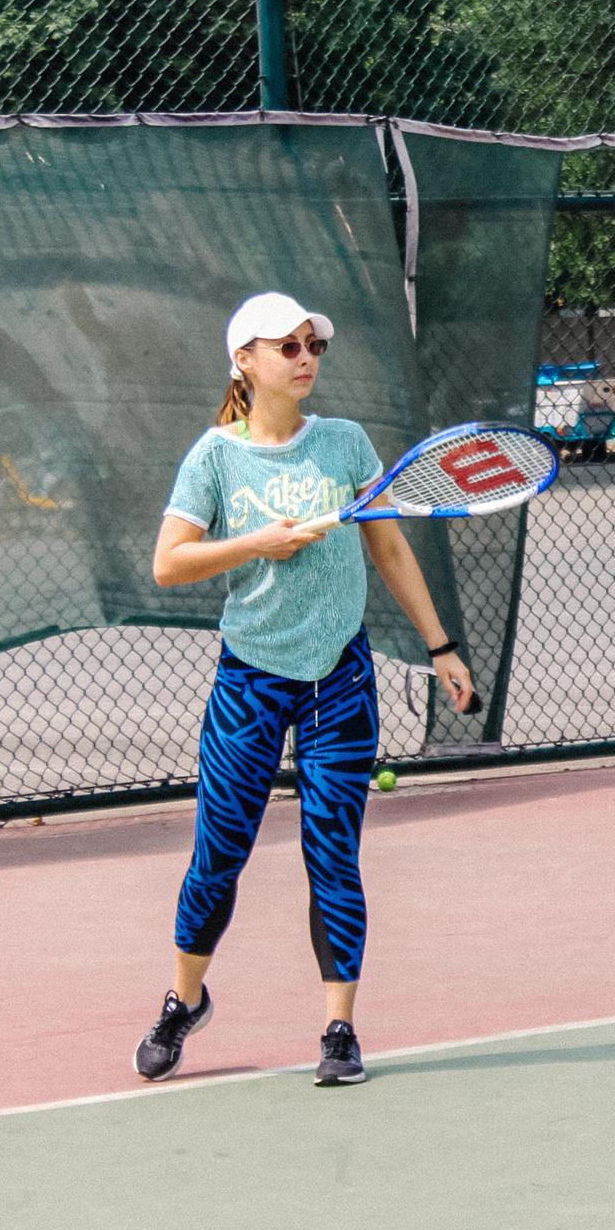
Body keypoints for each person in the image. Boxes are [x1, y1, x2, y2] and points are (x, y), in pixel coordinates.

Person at [133, 292, 476, 1088]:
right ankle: (185, 1001)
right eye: (285, 347)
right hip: (249, 683)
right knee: (218, 857)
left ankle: (338, 1028)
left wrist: (442, 645)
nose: (305, 357)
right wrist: (260, 542)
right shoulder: (214, 457)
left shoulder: (347, 445)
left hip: (340, 683)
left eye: (311, 344)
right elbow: (168, 562)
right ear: (245, 362)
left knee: (334, 853)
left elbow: (388, 547)